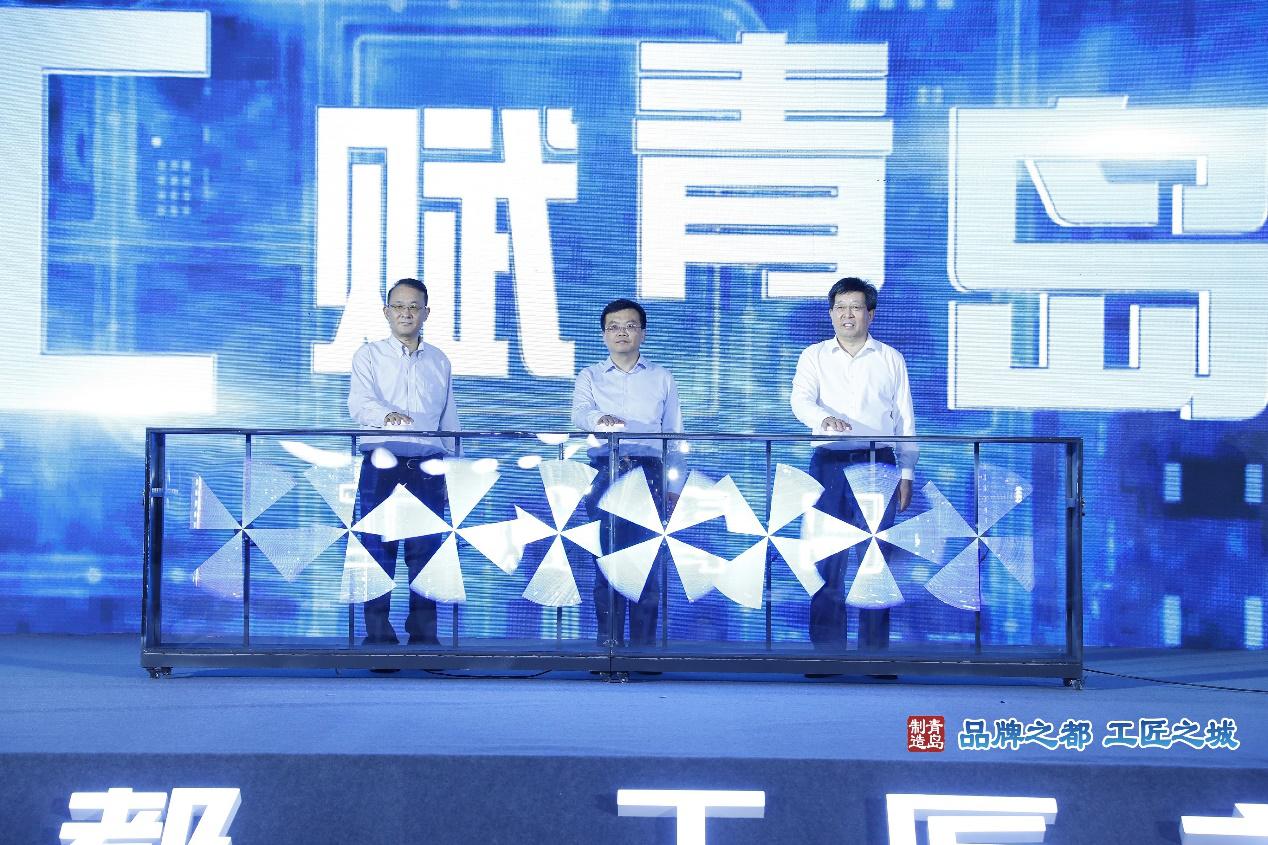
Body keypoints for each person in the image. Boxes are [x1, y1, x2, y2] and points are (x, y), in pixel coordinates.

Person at [790, 276, 917, 652]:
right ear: (831, 313)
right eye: (840, 308)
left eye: (856, 308)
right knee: (827, 558)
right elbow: (800, 401)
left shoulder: (890, 358)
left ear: (870, 314)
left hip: (878, 464)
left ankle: (874, 655)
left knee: (875, 561)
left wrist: (907, 472)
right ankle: (827, 654)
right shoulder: (814, 355)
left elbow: (904, 420)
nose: (848, 315)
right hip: (828, 464)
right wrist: (823, 419)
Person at [348, 277, 459, 647]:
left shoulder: (439, 359)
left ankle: (424, 637)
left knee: (426, 552)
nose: (406, 313)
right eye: (398, 306)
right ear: (386, 312)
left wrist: (453, 467)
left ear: (426, 312)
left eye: (414, 306)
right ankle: (378, 638)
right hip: (383, 464)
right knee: (377, 550)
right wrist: (387, 415)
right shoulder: (368, 355)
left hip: (427, 467)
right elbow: (359, 404)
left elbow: (448, 418)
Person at [571, 298, 683, 648]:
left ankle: (643, 651)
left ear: (643, 333)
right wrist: (599, 419)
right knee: (606, 560)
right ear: (604, 335)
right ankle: (609, 647)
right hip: (606, 470)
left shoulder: (662, 377)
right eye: (614, 327)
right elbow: (579, 414)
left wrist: (675, 484)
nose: (622, 332)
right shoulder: (589, 375)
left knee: (646, 561)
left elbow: (674, 435)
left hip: (650, 473)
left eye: (630, 326)